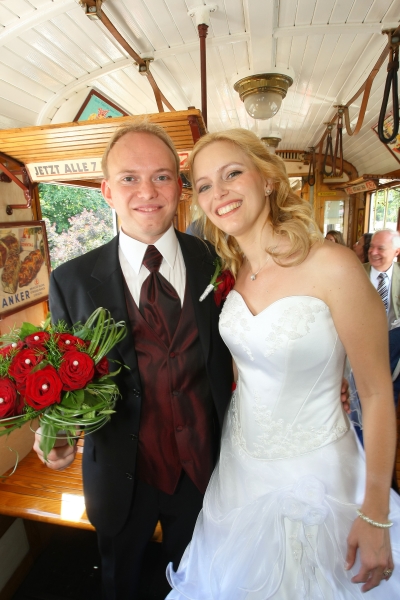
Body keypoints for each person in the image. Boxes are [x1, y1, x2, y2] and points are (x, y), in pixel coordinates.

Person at [166, 129, 400, 599]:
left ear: (268, 179)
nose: (220, 193)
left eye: (232, 173)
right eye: (206, 184)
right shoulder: (230, 271)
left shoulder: (331, 265)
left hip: (315, 471)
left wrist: (374, 513)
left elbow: (375, 394)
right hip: (238, 469)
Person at [33, 121, 234, 599]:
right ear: (106, 190)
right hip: (122, 475)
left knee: (200, 583)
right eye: (129, 178)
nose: (147, 190)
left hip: (208, 471)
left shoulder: (216, 259)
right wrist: (55, 434)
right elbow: (62, 376)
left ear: (180, 188)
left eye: (162, 176)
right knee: (121, 585)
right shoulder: (71, 281)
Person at [363, 229, 400, 328]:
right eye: (371, 246)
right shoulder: (355, 273)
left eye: (381, 248)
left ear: (396, 252)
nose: (373, 252)